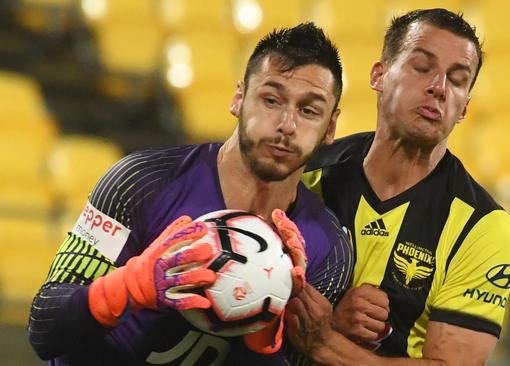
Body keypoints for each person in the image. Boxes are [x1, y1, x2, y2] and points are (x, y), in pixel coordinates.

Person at [28, 22, 353, 365]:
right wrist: (130, 286)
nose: (287, 124)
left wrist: (264, 340)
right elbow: (45, 328)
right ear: (239, 98)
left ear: (330, 126)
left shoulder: (327, 251)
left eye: (308, 110)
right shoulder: (140, 182)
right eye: (271, 100)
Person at [291, 9, 510, 364]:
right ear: (379, 75)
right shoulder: (306, 173)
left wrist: (325, 344)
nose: (439, 87)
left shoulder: (483, 227)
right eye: (422, 66)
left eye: (457, 80)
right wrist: (335, 317)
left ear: (464, 109)